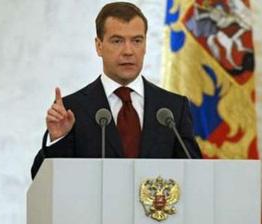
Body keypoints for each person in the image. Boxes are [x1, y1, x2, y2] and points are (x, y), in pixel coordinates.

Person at [31, 2, 202, 179]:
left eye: (136, 40)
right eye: (117, 41)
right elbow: (41, 179)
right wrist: (59, 139)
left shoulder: (172, 109)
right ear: (99, 46)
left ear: (145, 45)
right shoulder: (72, 109)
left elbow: (195, 175)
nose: (128, 51)